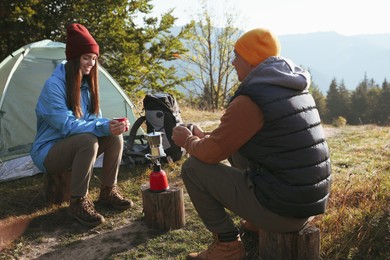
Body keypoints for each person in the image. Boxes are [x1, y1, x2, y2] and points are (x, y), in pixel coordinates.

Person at [172, 28, 331, 259]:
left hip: (284, 211)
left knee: (193, 169)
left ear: (251, 60)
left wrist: (187, 141)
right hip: (306, 204)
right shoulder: (291, 87)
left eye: (237, 56)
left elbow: (210, 155)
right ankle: (257, 222)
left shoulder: (253, 97)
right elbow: (238, 137)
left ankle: (227, 246)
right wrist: (206, 136)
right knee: (236, 148)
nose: (233, 62)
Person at [31, 23, 133, 227]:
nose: (91, 63)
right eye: (87, 57)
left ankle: (108, 191)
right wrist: (102, 127)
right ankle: (78, 202)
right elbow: (67, 126)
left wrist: (112, 125)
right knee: (88, 141)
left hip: (74, 143)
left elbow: (95, 121)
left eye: (94, 59)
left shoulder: (87, 84)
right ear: (74, 58)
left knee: (114, 137)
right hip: (49, 151)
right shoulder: (54, 86)